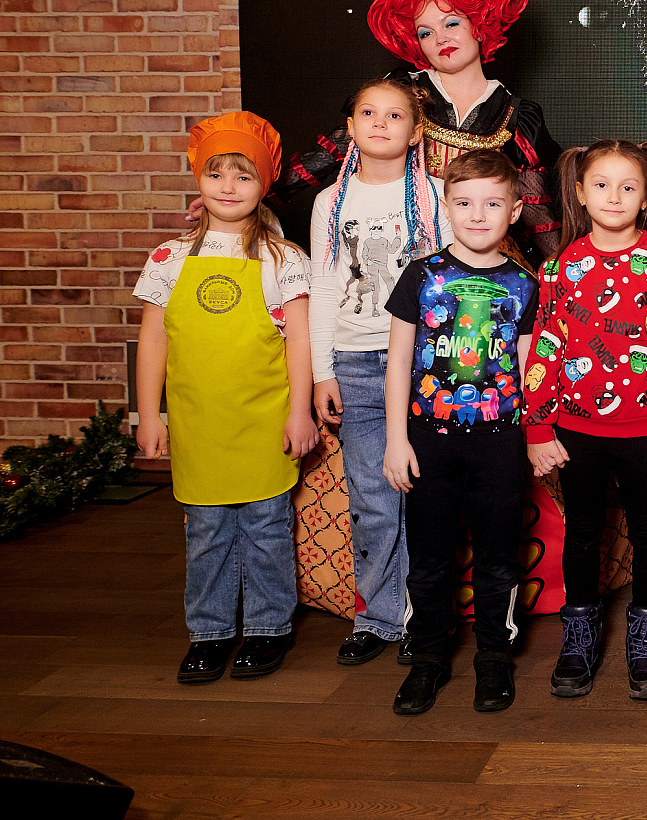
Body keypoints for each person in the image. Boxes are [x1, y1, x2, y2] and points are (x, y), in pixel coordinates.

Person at [134, 111, 319, 685]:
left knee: (266, 529)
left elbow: (300, 342)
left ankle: (268, 627)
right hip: (200, 423)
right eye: (216, 174)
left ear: (264, 184)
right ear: (198, 179)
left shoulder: (284, 259)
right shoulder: (169, 257)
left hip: (264, 421)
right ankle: (210, 632)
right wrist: (150, 414)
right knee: (206, 532)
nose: (229, 187)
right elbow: (154, 339)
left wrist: (300, 412)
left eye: (244, 175)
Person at [524, 140, 647, 701]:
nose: (614, 197)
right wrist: (538, 427)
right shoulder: (560, 267)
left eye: (629, 187)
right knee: (582, 533)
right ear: (580, 193)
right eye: (601, 185)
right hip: (576, 431)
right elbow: (546, 346)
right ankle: (579, 638)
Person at [270, 0, 562, 265]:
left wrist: (560, 271)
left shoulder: (516, 114)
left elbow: (535, 207)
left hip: (484, 262)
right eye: (425, 32)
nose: (440, 39)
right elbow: (333, 152)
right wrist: (250, 196)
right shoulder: (401, 90)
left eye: (451, 23)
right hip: (401, 252)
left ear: (479, 24)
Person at [382, 149, 539, 716]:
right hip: (428, 439)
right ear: (445, 207)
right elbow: (399, 362)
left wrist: (532, 437)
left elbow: (528, 367)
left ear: (514, 211)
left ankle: (494, 656)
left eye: (493, 204)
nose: (478, 215)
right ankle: (427, 657)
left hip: (499, 442)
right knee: (429, 557)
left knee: (498, 556)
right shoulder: (422, 275)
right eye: (465, 202)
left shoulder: (525, 283)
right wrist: (396, 439)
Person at [308, 77, 446, 667]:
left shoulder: (438, 196)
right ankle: (379, 617)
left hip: (425, 363)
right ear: (350, 127)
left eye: (395, 115)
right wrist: (322, 371)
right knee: (373, 498)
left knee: (426, 494)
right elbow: (322, 286)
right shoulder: (330, 202)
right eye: (369, 112)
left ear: (416, 132)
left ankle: (425, 616)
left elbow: (451, 280)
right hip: (356, 362)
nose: (381, 123)